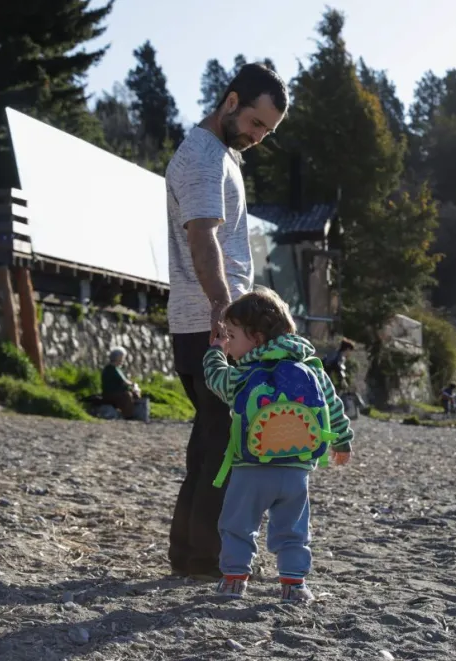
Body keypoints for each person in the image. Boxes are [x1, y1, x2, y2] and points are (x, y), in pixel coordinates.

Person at [165, 63, 289, 581]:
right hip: (211, 324)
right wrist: (223, 311)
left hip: (211, 324)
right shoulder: (203, 157)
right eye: (257, 123)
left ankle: (192, 555)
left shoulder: (221, 156)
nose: (259, 137)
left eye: (268, 131)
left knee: (211, 441)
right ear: (232, 101)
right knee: (222, 445)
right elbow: (203, 238)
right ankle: (207, 560)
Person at [202, 287, 353, 602]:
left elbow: (216, 379)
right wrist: (341, 440)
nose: (228, 344)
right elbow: (333, 406)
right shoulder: (311, 367)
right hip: (295, 469)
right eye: (225, 337)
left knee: (237, 525)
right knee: (293, 530)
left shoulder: (243, 374)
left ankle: (233, 580)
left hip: (251, 468)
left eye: (232, 336)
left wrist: (214, 352)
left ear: (256, 339)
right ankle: (294, 585)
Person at [100, 347, 141, 419]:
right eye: (122, 358)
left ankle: (135, 413)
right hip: (111, 393)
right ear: (118, 357)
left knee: (133, 393)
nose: (123, 360)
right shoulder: (111, 368)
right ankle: (128, 415)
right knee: (127, 395)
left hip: (116, 392)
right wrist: (133, 384)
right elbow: (124, 382)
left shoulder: (117, 368)